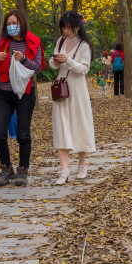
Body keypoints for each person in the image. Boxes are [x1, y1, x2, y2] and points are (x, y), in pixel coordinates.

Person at [0, 9, 45, 187]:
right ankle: (6, 168)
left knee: (23, 133)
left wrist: (24, 59)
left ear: (22, 23)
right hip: (3, 92)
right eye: (8, 24)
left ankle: (22, 170)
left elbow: (38, 68)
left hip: (25, 92)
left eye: (14, 23)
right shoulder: (2, 41)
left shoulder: (34, 42)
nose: (11, 27)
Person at [50, 11, 95, 184]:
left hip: (77, 88)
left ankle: (82, 165)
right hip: (61, 87)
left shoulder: (84, 46)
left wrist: (68, 61)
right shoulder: (60, 41)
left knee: (79, 124)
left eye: (69, 27)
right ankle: (64, 170)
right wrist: (55, 61)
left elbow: (84, 70)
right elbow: (53, 63)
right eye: (63, 27)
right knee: (62, 125)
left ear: (77, 27)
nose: (66, 31)